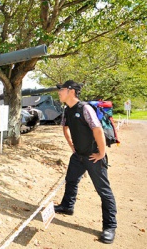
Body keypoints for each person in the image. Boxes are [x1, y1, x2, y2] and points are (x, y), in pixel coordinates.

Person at [54, 80, 117, 244]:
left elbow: (97, 130)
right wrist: (72, 146)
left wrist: (101, 153)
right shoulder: (67, 110)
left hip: (92, 156)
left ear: (71, 91)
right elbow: (65, 127)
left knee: (104, 191)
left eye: (62, 90)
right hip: (78, 156)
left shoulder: (85, 108)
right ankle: (67, 206)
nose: (59, 92)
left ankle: (110, 227)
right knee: (71, 180)